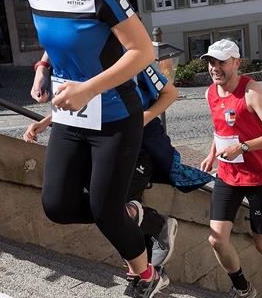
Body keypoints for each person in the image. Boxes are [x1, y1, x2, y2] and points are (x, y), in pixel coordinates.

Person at [17, 0, 162, 298]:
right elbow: (60, 38)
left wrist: (88, 88)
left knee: (103, 209)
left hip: (114, 115)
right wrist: (44, 68)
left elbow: (142, 51)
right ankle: (135, 215)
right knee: (57, 206)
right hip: (71, 114)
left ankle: (146, 273)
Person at [25, 63, 208, 279]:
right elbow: (87, 103)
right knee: (112, 214)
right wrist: (48, 120)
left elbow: (170, 93)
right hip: (101, 146)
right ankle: (150, 251)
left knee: (115, 211)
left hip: (138, 147)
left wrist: (138, 121)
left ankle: (151, 250)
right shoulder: (84, 60)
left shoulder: (128, 58)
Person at [199, 39, 262, 298]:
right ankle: (242, 286)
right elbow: (220, 129)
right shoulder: (210, 93)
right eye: (211, 62)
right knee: (216, 239)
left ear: (236, 63)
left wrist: (243, 147)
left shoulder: (251, 92)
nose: (214, 68)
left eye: (221, 62)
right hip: (228, 175)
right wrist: (212, 153)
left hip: (258, 177)